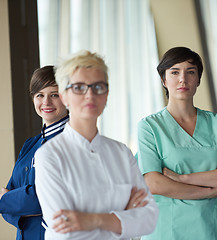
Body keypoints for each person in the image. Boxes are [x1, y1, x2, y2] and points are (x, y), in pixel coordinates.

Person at [34, 51, 158, 240]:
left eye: (98, 87)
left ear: (106, 94)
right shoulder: (49, 156)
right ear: (64, 96)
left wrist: (93, 220)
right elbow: (66, 233)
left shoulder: (121, 153)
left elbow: (149, 219)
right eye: (78, 87)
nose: (90, 94)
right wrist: (124, 217)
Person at [137, 47, 217, 240]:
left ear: (198, 79)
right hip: (168, 230)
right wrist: (209, 191)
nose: (183, 79)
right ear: (164, 80)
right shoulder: (150, 127)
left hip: (214, 228)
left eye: (190, 72)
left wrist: (182, 179)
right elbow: (154, 183)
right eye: (175, 72)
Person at [0, 66, 69, 240]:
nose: (46, 102)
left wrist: (8, 200)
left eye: (54, 94)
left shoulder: (72, 142)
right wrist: (12, 203)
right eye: (39, 95)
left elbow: (49, 197)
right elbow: (7, 203)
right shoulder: (30, 144)